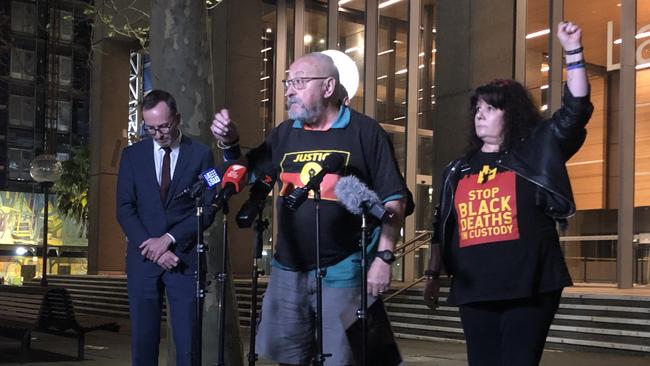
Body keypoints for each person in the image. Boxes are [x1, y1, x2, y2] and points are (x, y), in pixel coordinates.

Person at [211, 52, 409, 365]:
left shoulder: (364, 132)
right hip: (288, 268)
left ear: (328, 87)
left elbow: (394, 200)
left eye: (299, 82)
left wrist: (384, 256)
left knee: (343, 359)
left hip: (344, 268)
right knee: (288, 357)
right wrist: (231, 144)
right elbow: (245, 172)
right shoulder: (286, 133)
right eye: (288, 83)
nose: (289, 90)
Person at [423, 21, 593, 365]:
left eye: (491, 108)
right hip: (474, 289)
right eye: (477, 109)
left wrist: (573, 50)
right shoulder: (458, 169)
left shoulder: (537, 151)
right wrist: (433, 274)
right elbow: (442, 224)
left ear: (512, 113)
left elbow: (575, 110)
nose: (479, 115)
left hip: (529, 286)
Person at [116, 90, 217, 366]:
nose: (158, 134)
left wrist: (170, 239)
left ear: (177, 119)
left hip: (184, 260)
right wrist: (155, 249)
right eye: (150, 129)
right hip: (143, 261)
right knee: (143, 343)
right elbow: (124, 209)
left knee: (188, 346)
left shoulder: (201, 155)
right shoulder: (131, 156)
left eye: (163, 126)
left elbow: (209, 208)